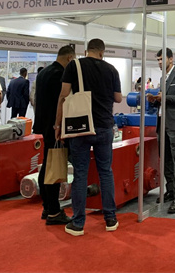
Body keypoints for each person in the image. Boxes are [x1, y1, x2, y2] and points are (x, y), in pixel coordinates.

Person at [55, 39, 122, 236]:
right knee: (105, 172)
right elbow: (118, 98)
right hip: (105, 126)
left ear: (86, 51)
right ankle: (110, 218)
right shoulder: (111, 70)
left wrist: (58, 125)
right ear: (102, 53)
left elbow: (63, 96)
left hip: (80, 127)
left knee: (80, 174)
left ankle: (78, 223)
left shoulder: (74, 66)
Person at [147, 48, 175, 214]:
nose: (160, 62)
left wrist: (164, 98)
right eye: (158, 60)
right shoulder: (163, 78)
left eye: (162, 59)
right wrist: (155, 100)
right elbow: (164, 100)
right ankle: (171, 190)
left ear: (171, 59)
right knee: (165, 159)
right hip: (163, 124)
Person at [33, 45, 75, 226]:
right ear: (69, 58)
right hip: (55, 127)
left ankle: (47, 206)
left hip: (44, 125)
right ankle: (54, 211)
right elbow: (61, 101)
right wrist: (60, 127)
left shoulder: (44, 72)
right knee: (54, 168)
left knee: (47, 165)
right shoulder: (60, 74)